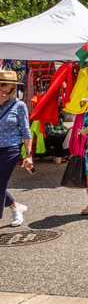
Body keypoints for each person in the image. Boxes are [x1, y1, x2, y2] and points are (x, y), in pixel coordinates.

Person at [0, 72, 33, 226]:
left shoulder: (19, 105)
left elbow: (26, 131)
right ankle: (15, 206)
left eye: (3, 85)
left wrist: (29, 154)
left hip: (10, 149)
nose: (0, 88)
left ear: (13, 86)